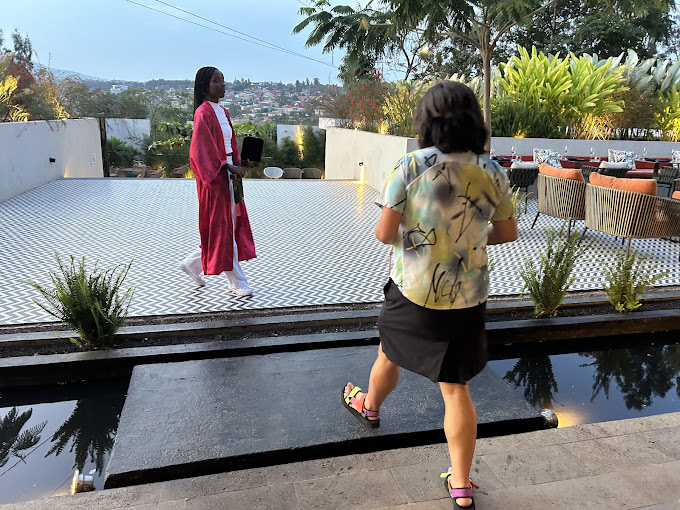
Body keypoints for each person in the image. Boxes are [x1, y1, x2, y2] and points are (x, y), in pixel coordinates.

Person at [342, 81, 518, 510]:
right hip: (467, 298)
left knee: (389, 351)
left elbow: (384, 233)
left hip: (414, 291)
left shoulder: (410, 166)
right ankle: (461, 485)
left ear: (427, 122)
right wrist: (466, 237)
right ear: (473, 121)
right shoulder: (492, 171)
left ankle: (369, 407)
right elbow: (507, 233)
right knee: (455, 389)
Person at [180, 66, 256, 297]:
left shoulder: (223, 112)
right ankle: (237, 282)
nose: (222, 84)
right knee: (225, 228)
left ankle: (192, 263)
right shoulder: (203, 113)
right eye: (216, 81)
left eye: (223, 80)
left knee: (225, 228)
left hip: (229, 176)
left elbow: (229, 145)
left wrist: (241, 163)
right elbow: (200, 152)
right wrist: (226, 166)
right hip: (215, 179)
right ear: (205, 85)